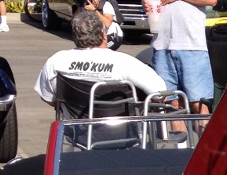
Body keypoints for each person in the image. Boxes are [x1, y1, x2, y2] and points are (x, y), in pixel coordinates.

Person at [34, 9, 168, 105]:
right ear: (104, 35)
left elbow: (47, 97)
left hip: (76, 129)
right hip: (121, 130)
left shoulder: (57, 61)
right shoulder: (124, 62)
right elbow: (160, 92)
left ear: (75, 36)